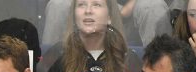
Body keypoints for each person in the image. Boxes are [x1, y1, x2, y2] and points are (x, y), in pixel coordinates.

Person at [38, 0, 142, 72]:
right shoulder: (58, 53)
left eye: (96, 5)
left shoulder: (127, 58)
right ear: (74, 15)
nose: (88, 11)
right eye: (81, 5)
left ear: (109, 16)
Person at [42, 0, 172, 48]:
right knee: (58, 5)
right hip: (95, 5)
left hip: (134, 13)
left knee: (153, 6)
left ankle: (158, 69)